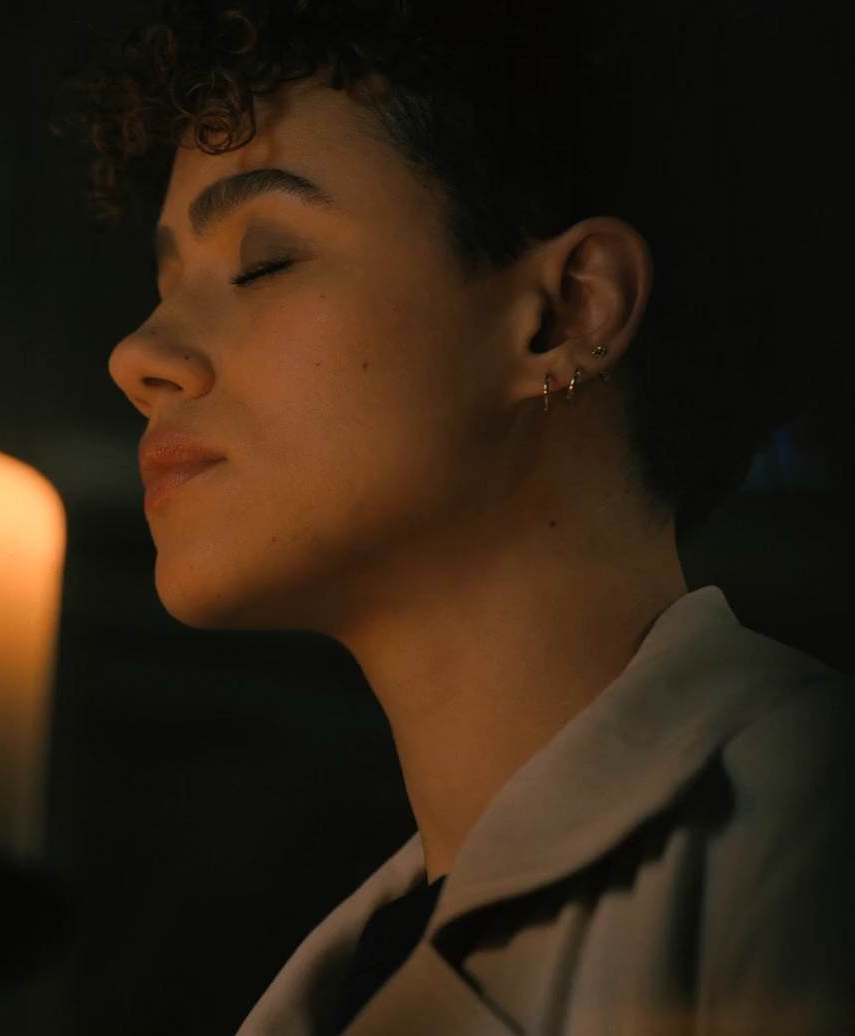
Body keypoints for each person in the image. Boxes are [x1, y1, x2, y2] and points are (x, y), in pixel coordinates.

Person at [78, 0, 855, 1032]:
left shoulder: (809, 826)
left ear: (566, 312)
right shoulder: (326, 984)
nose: (137, 354)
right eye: (167, 281)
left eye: (264, 260)